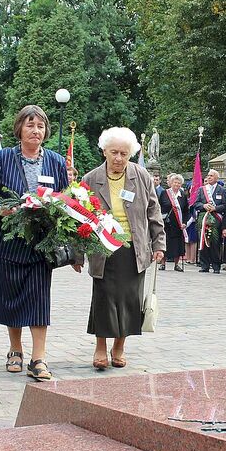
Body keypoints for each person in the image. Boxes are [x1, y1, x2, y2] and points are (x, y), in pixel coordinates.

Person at [0, 105, 70, 382]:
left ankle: (38, 358)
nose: (36, 131)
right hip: (10, 241)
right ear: (19, 128)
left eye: (40, 126)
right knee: (11, 298)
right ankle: (15, 350)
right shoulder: (4, 158)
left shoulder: (55, 160)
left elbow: (67, 199)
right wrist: (3, 209)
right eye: (30, 125)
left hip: (42, 243)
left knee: (40, 299)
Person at [82, 127, 165, 370]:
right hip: (103, 248)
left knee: (130, 299)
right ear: (104, 151)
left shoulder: (141, 176)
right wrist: (77, 255)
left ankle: (119, 346)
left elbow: (154, 212)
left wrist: (159, 244)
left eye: (124, 153)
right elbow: (80, 219)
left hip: (134, 248)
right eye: (114, 152)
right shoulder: (90, 179)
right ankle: (100, 346)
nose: (119, 158)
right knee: (103, 299)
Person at [191, 169, 226, 273]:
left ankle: (216, 266)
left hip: (216, 220)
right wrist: (204, 206)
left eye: (211, 176)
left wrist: (215, 208)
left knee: (215, 243)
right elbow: (196, 203)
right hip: (204, 219)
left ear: (216, 178)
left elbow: (225, 206)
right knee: (203, 241)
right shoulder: (202, 190)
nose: (209, 177)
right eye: (208, 175)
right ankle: (204, 265)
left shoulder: (223, 190)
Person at [159, 173, 189, 272]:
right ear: (171, 183)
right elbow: (159, 206)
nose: (176, 184)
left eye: (178, 183)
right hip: (166, 223)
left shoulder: (183, 195)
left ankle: (176, 264)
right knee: (165, 243)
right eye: (175, 182)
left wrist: (184, 222)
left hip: (178, 224)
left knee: (177, 245)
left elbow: (186, 210)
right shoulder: (164, 193)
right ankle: (163, 263)